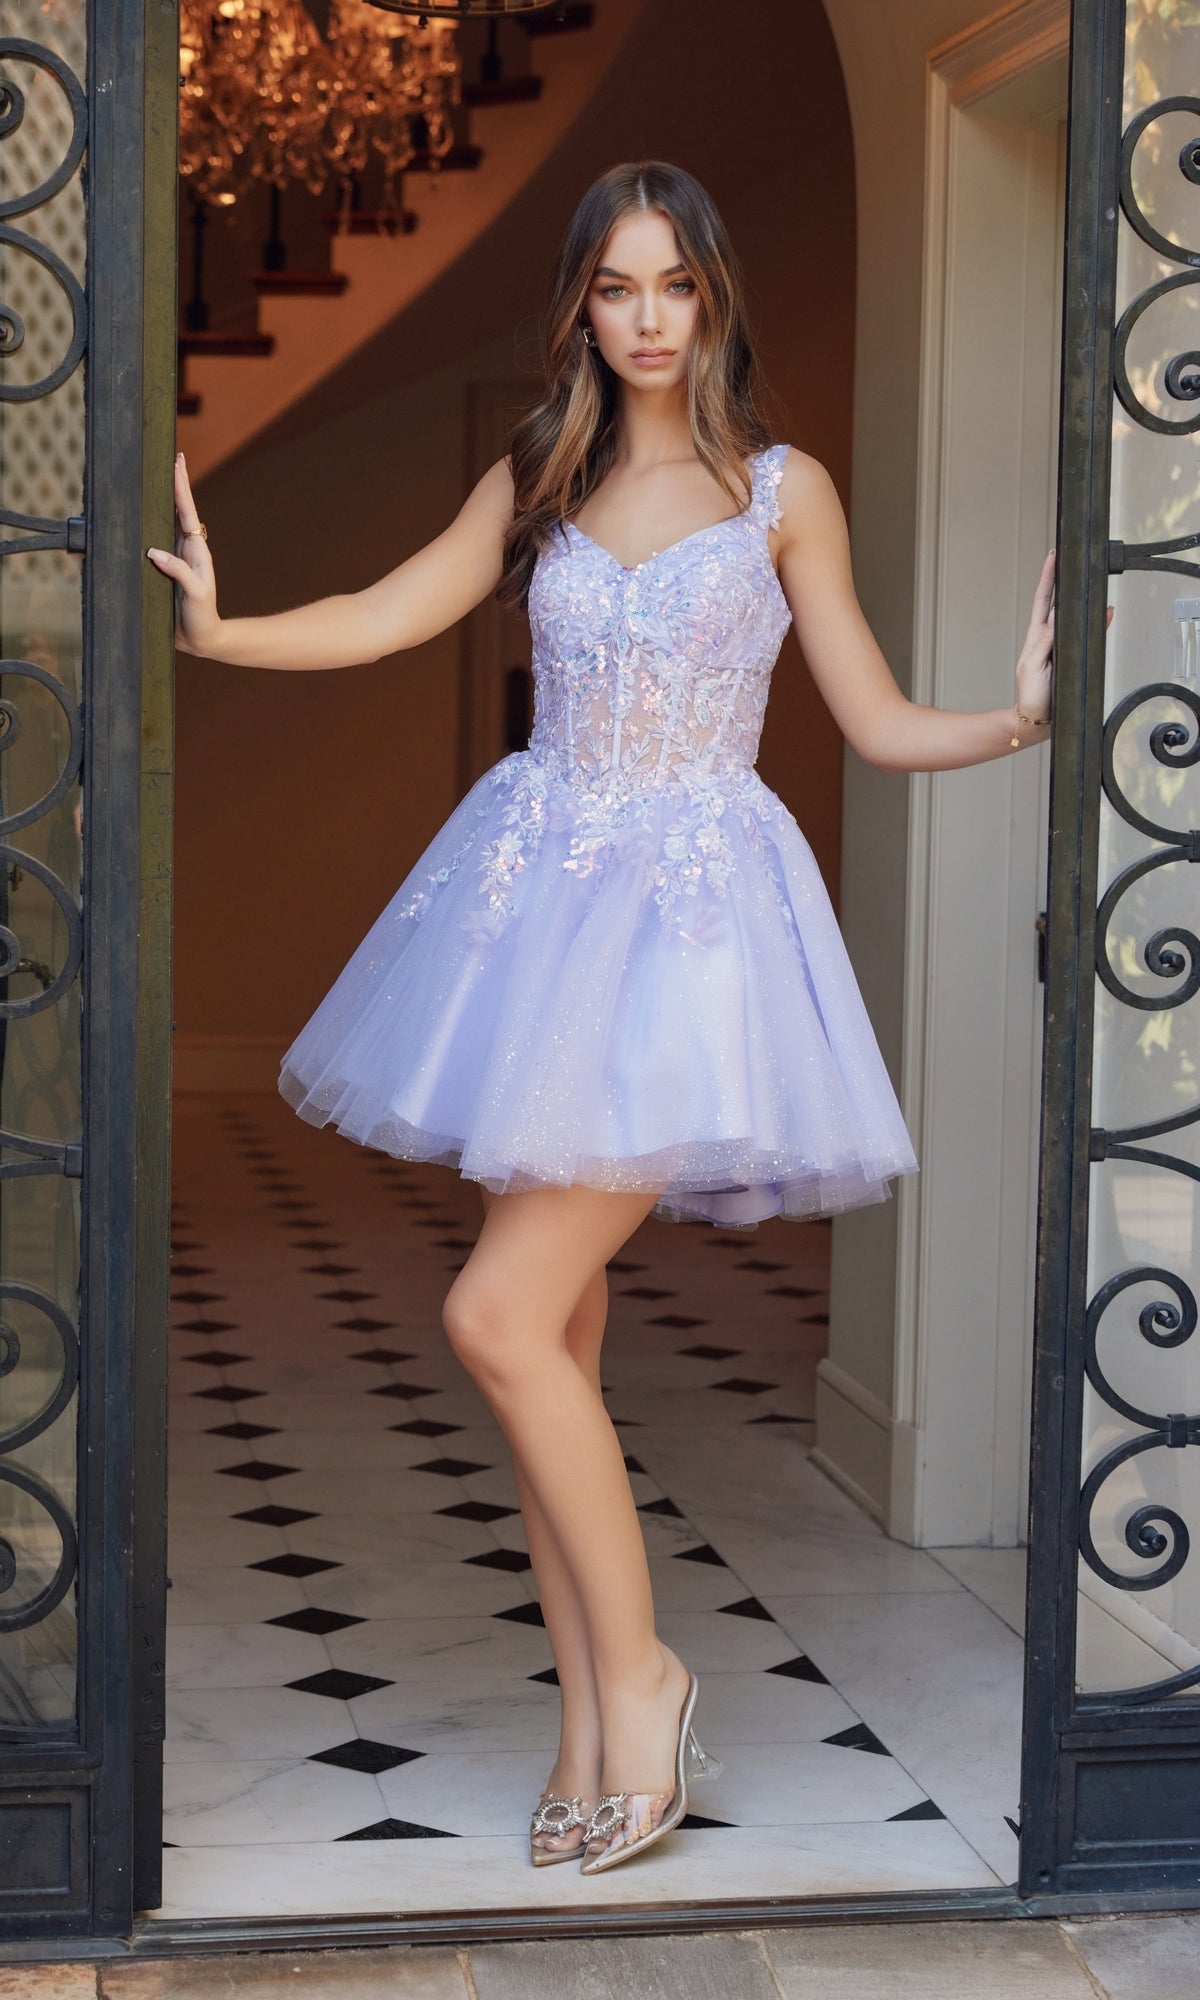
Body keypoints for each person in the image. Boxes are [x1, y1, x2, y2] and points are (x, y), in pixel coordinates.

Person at [148, 159, 1055, 1876]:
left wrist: (1017, 721)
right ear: (579, 303)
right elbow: (391, 612)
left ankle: (644, 1680)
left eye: (676, 286)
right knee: (548, 1337)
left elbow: (871, 721)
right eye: (617, 288)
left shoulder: (784, 490)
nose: (648, 319)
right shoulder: (540, 471)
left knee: (493, 1312)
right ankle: (585, 1723)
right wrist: (220, 632)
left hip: (693, 945)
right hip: (535, 914)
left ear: (715, 297)